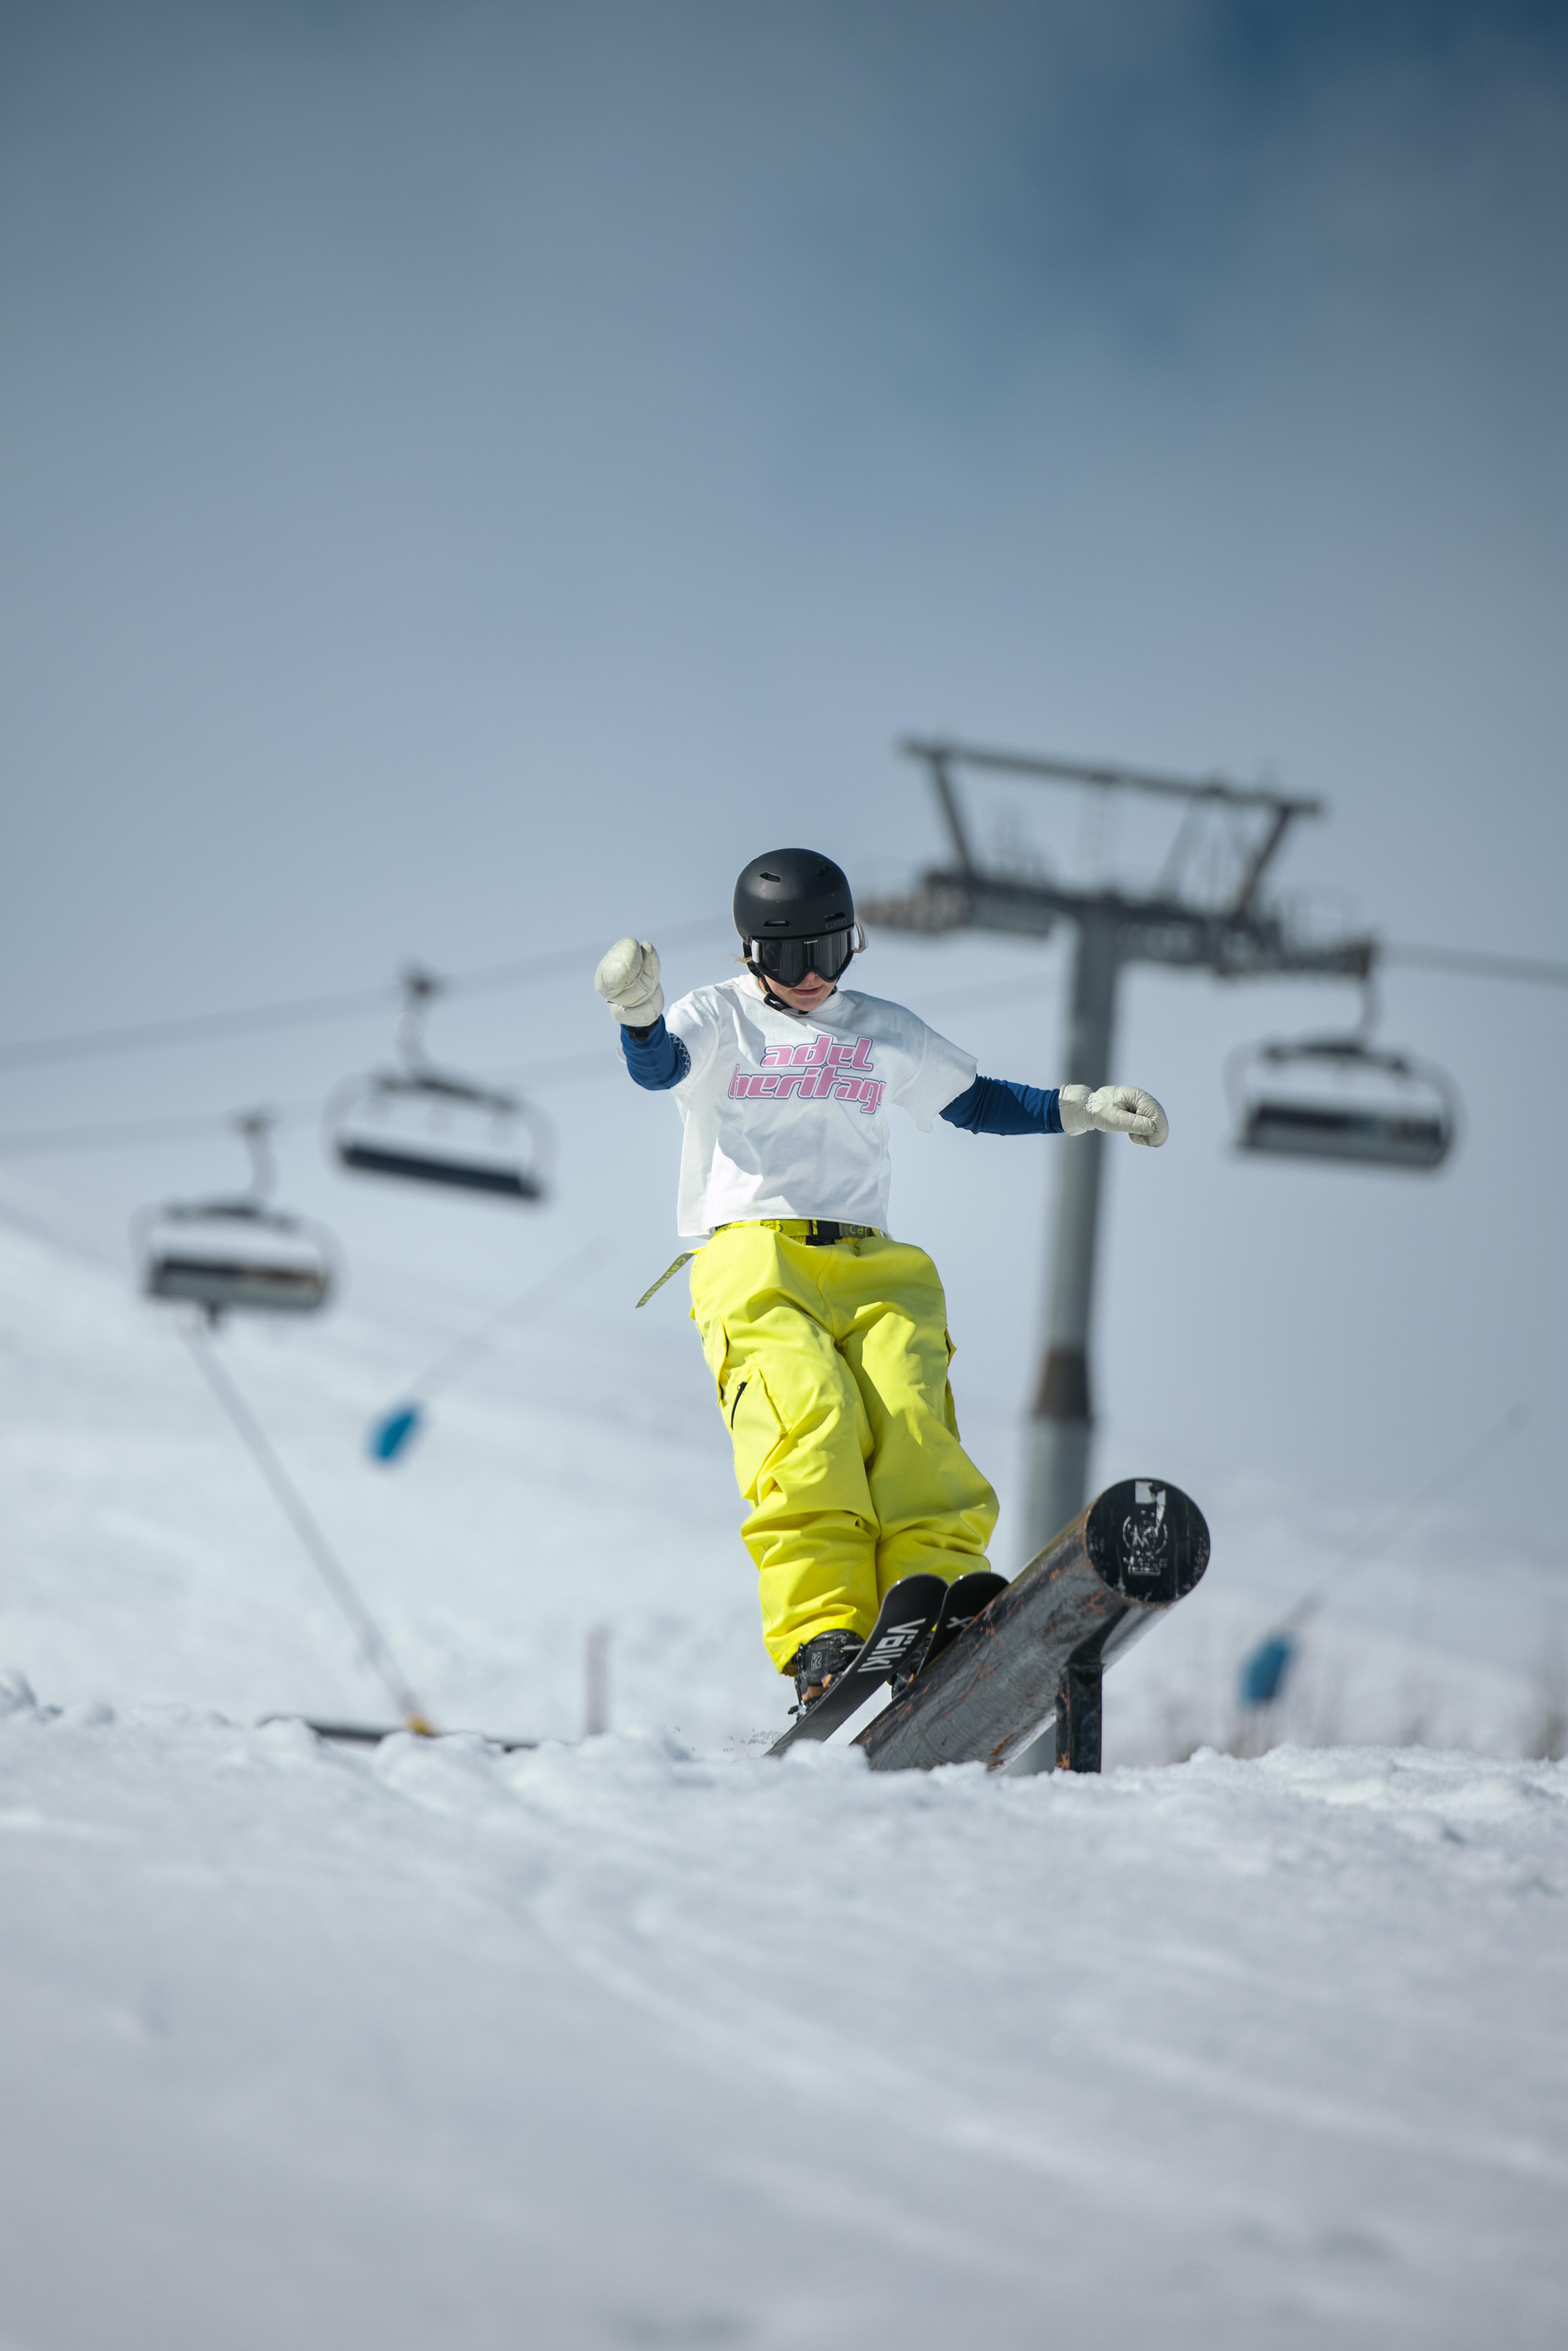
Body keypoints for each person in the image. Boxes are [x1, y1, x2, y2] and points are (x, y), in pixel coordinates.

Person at [594, 848, 1167, 1712]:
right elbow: (663, 1068)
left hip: (875, 1260)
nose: (816, 975)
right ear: (753, 955)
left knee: (913, 1421)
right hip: (758, 1257)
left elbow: (971, 1100)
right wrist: (639, 1017)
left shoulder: (880, 1027)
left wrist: (1077, 1107)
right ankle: (824, 1627)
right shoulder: (722, 1017)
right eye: (792, 959)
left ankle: (936, 1592)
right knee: (808, 1421)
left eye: (833, 949)